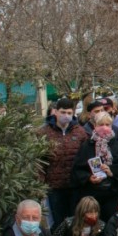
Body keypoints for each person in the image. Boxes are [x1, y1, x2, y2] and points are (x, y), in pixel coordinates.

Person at [71, 112, 118, 220]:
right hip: (92, 196)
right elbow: (77, 170)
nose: (104, 127)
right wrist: (88, 178)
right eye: (101, 124)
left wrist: (112, 172)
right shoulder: (87, 146)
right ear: (95, 126)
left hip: (114, 195)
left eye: (107, 124)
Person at [38, 97, 89, 227]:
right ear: (56, 112)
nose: (66, 116)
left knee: (75, 220)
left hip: (75, 185)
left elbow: (86, 158)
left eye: (69, 113)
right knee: (58, 222)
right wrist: (40, 185)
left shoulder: (81, 132)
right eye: (63, 112)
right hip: (55, 187)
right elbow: (39, 161)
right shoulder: (43, 133)